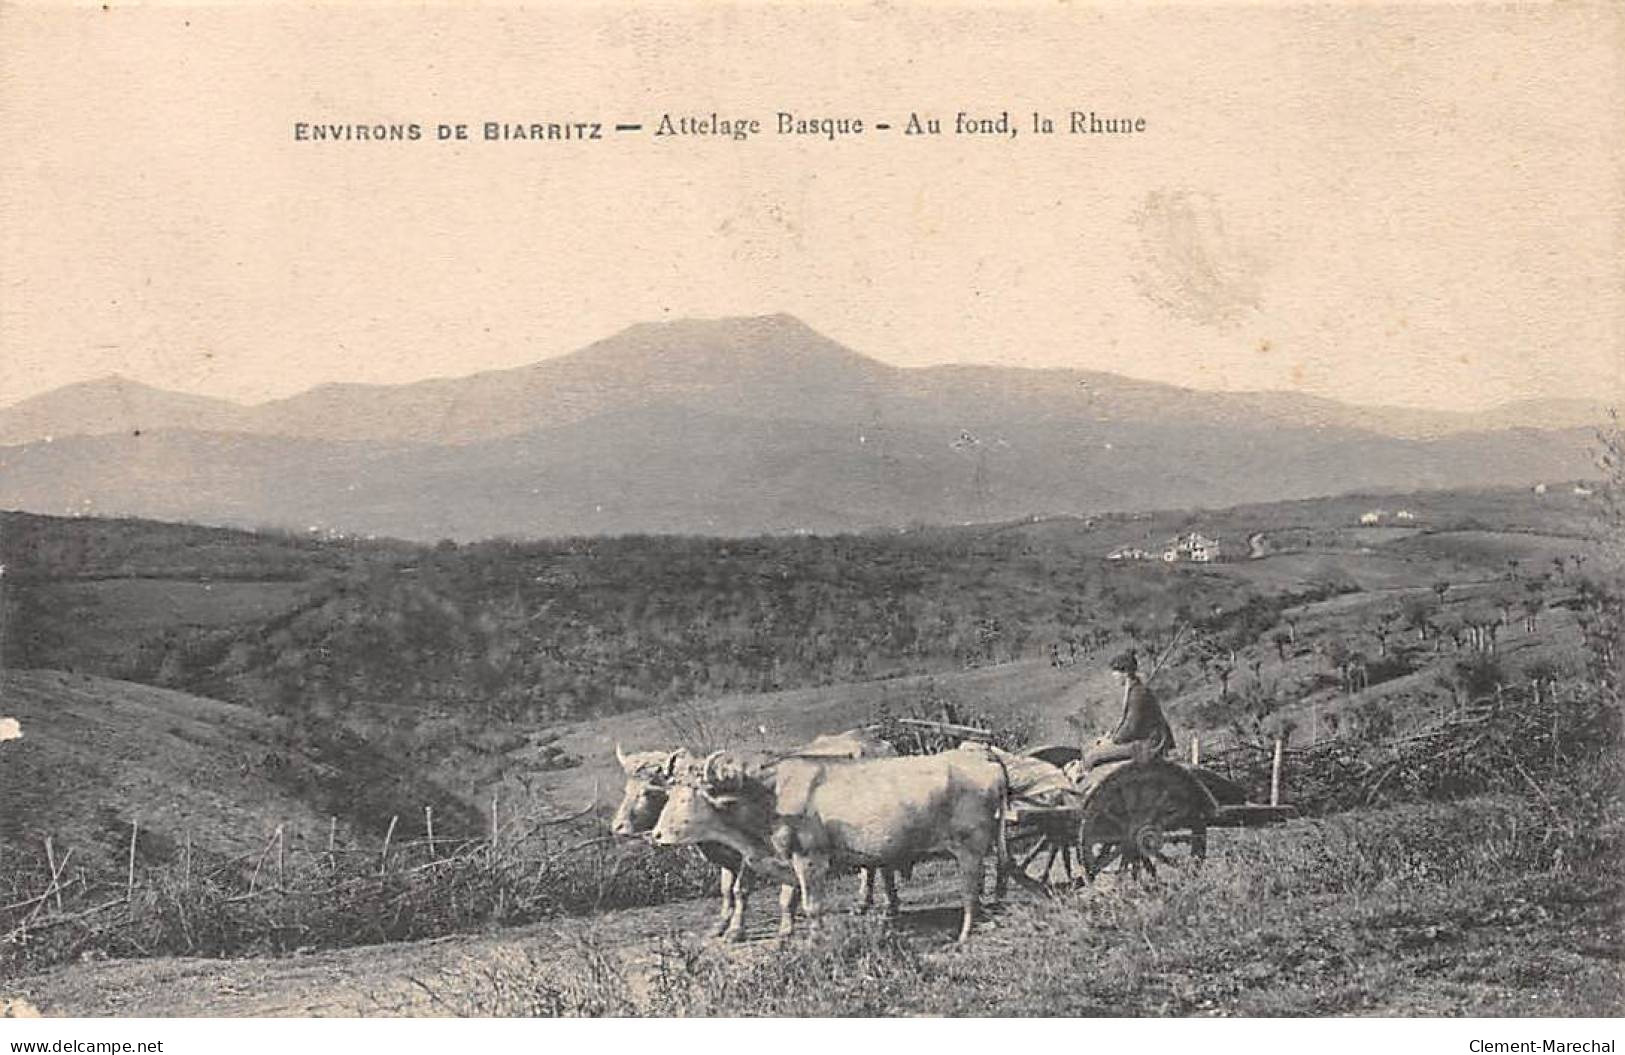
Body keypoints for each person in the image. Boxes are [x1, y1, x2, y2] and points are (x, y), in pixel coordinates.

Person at [1081, 649, 1175, 770]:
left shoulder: (1138, 694)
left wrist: (1112, 742)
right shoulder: (1134, 690)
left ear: (1125, 672)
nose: (1113, 676)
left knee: (1093, 756)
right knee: (1090, 746)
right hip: (1142, 742)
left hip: (1148, 745)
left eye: (1115, 672)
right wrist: (1109, 737)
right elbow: (1125, 722)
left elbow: (1131, 727)